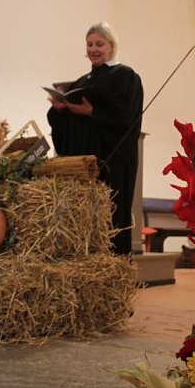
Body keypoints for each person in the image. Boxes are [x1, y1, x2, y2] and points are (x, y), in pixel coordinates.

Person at [47, 22, 144, 255]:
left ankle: (113, 264)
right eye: (90, 44)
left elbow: (127, 116)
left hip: (110, 158)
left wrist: (92, 113)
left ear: (111, 46)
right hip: (82, 160)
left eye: (99, 44)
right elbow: (61, 122)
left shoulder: (126, 76)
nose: (93, 49)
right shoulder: (82, 81)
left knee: (108, 215)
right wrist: (60, 109)